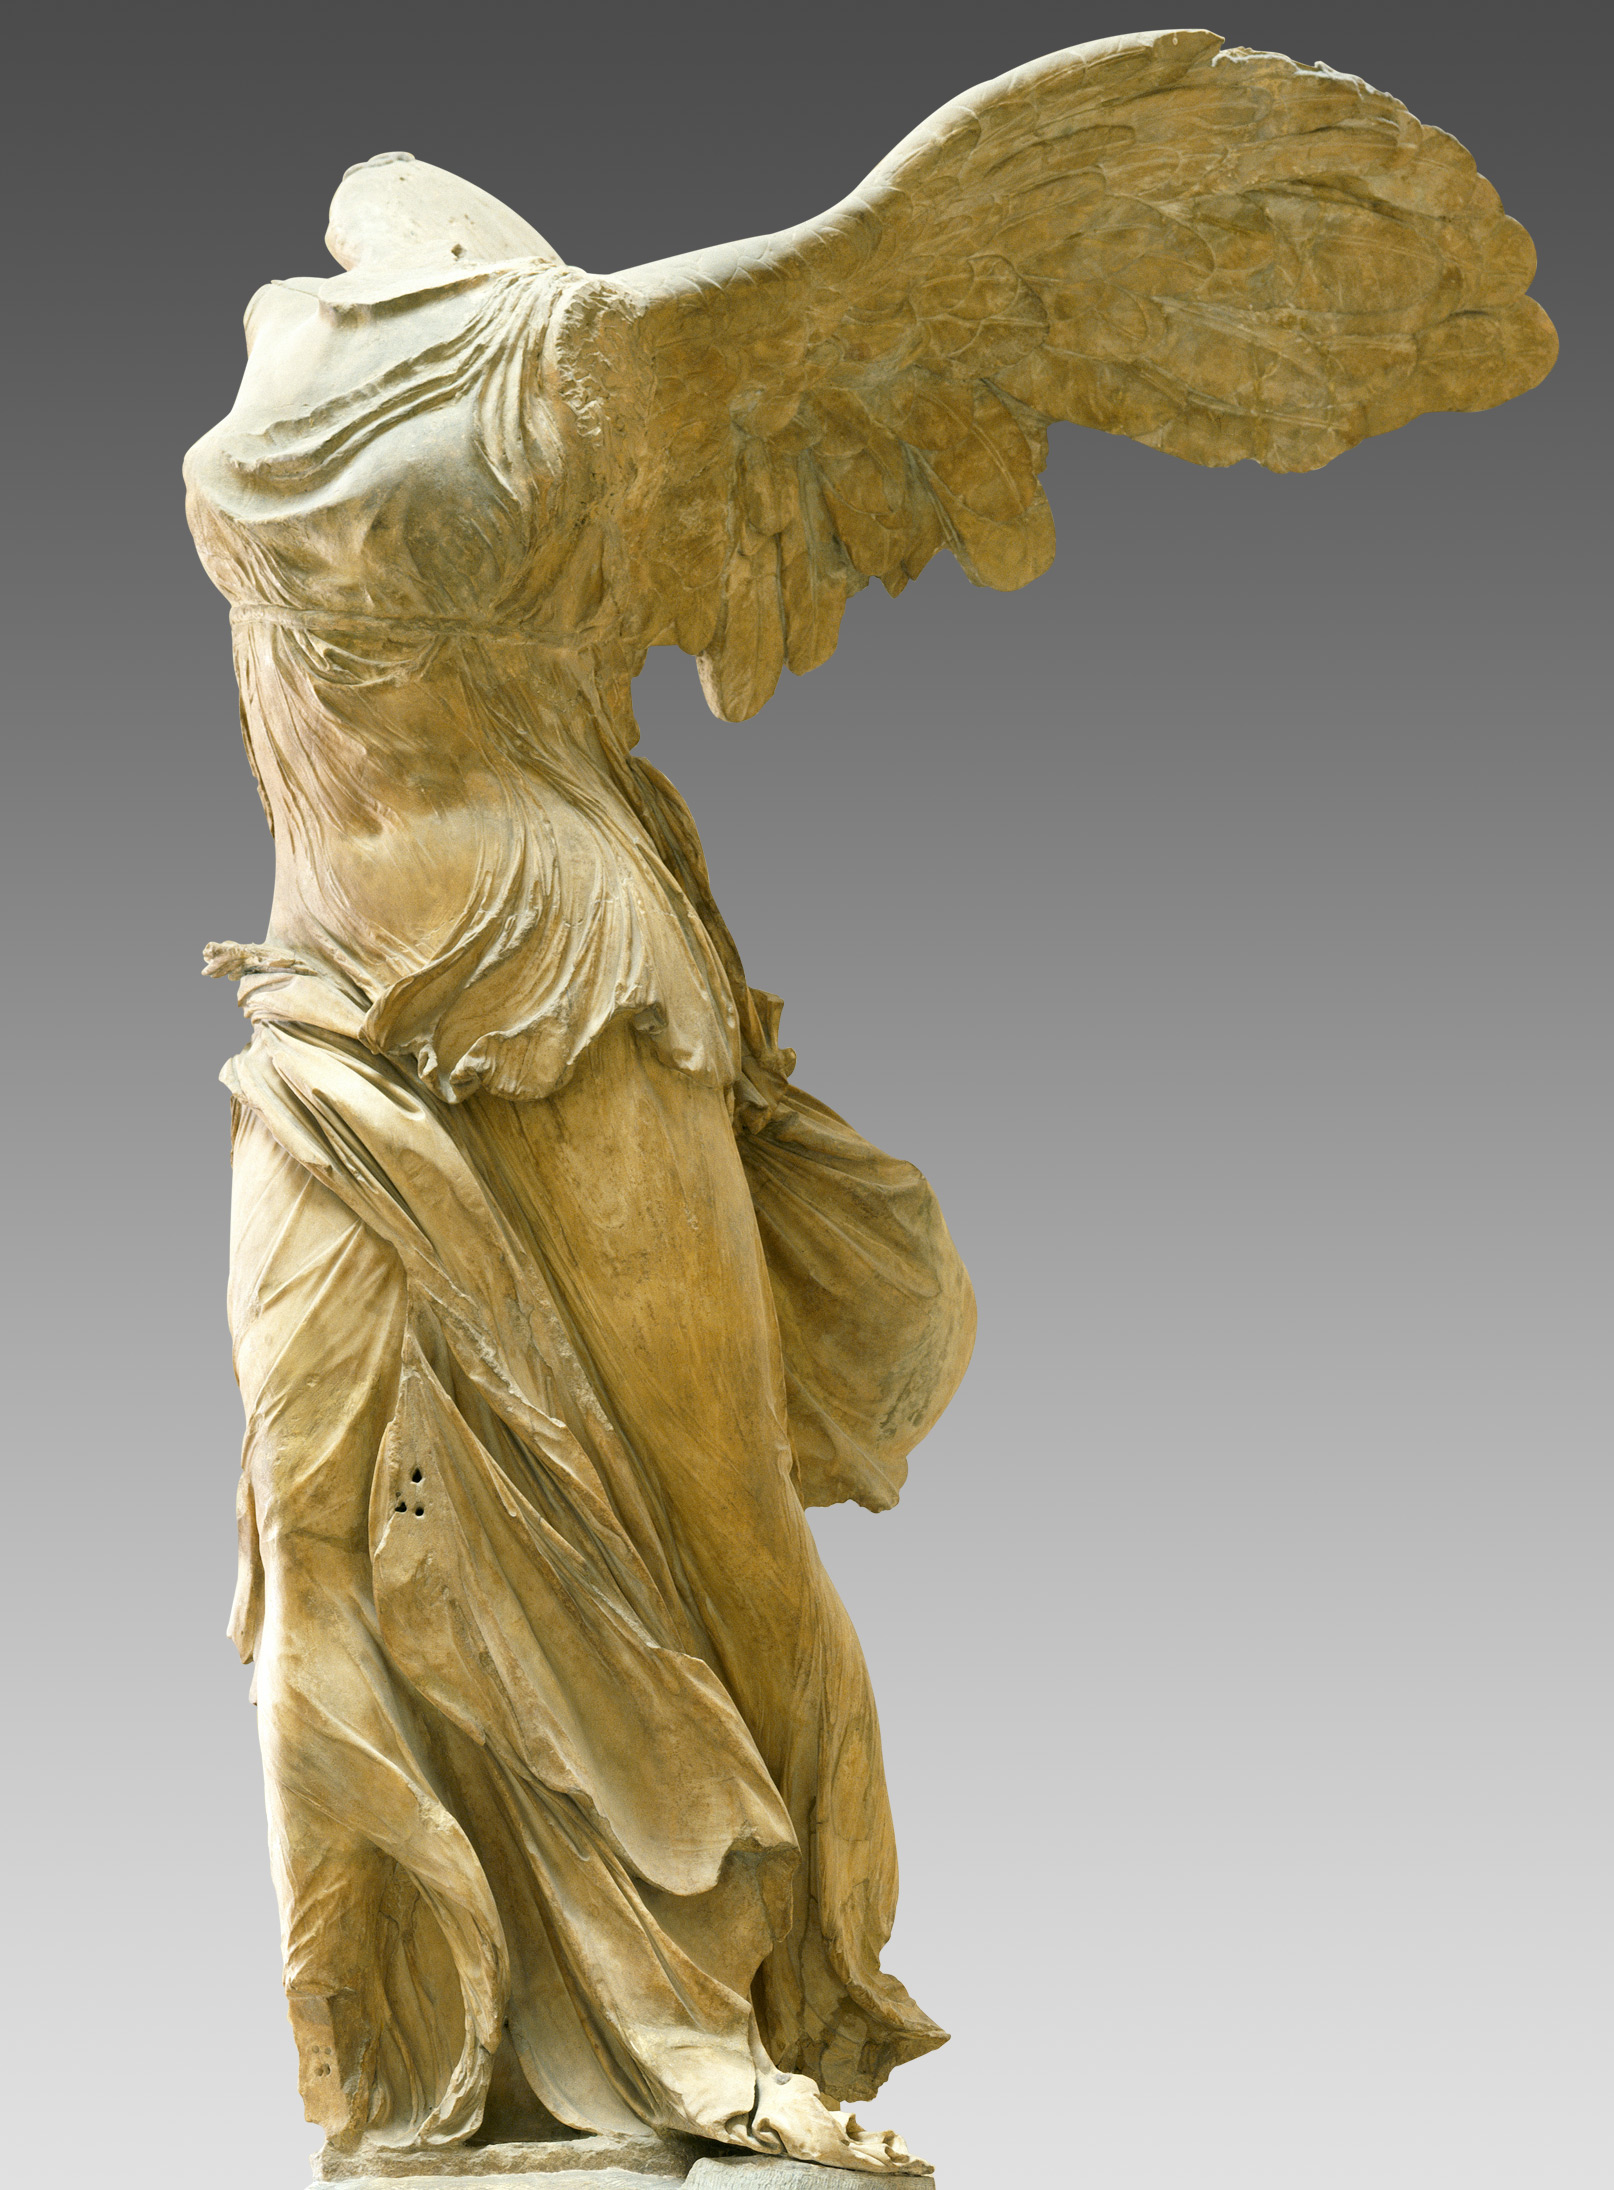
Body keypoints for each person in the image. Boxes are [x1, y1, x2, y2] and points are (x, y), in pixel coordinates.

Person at [184, 30, 1553, 2174]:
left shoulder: (593, 366)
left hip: (566, 996)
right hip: (328, 1018)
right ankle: (405, 2069)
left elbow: (920, 259)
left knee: (714, 1522)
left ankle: (764, 2001)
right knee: (322, 1542)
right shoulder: (352, 293)